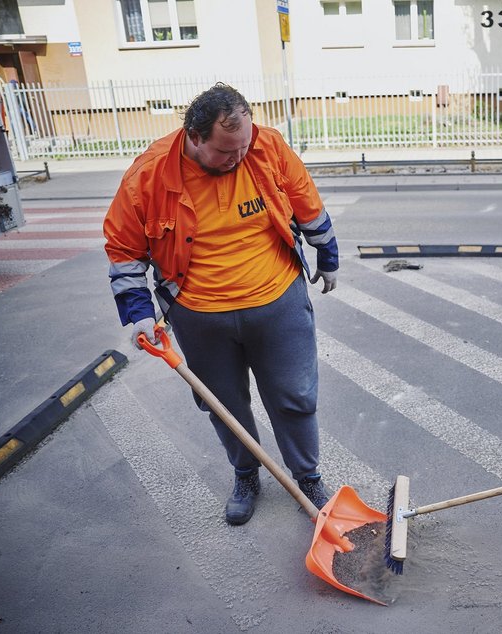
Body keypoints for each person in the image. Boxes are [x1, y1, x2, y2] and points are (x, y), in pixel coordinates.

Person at [103, 83, 339, 525]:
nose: (238, 158)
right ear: (194, 137)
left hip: (277, 299)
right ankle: (246, 473)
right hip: (199, 313)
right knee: (222, 403)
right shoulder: (149, 175)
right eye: (226, 151)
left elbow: (307, 205)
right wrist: (138, 316)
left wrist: (327, 257)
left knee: (295, 396)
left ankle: (306, 477)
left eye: (244, 147)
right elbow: (124, 251)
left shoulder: (266, 148)